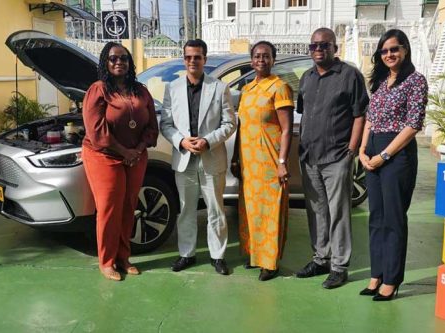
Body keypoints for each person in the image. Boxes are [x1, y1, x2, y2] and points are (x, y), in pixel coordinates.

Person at [296, 27, 369, 289]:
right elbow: (304, 114)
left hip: (337, 156)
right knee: (316, 211)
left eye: (324, 45)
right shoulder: (306, 77)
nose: (318, 50)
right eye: (314, 45)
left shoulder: (349, 75)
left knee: (338, 212)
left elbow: (360, 114)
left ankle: (339, 266)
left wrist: (351, 151)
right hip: (310, 156)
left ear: (334, 48)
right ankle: (320, 258)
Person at [358, 29, 428, 301]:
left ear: (405, 50)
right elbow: (370, 118)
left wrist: (384, 155)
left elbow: (413, 125)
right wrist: (363, 150)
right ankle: (376, 275)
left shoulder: (415, 81)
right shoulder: (380, 81)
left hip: (396, 154)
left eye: (394, 49)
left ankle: (392, 279)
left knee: (394, 217)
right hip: (373, 147)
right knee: (376, 216)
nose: (389, 54)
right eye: (384, 51)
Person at [82, 42, 159, 281]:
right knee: (108, 208)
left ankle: (124, 258)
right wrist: (124, 151)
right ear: (106, 62)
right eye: (113, 58)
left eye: (123, 58)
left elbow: (151, 127)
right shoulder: (98, 90)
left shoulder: (141, 91)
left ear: (130, 62)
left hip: (136, 156)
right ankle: (106, 261)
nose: (119, 62)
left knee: (129, 207)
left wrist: (137, 149)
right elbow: (97, 131)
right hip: (104, 156)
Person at [160, 39, 236, 275]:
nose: (193, 61)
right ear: (184, 59)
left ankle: (217, 255)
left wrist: (207, 141)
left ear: (205, 59)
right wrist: (181, 141)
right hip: (184, 158)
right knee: (186, 210)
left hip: (211, 157)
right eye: (189, 57)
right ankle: (187, 253)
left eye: (198, 57)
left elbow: (230, 123)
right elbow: (166, 124)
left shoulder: (219, 88)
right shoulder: (172, 88)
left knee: (215, 209)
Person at [231, 41, 294, 282]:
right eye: (257, 56)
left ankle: (270, 262)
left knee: (270, 210)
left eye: (266, 56)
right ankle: (254, 255)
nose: (261, 60)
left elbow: (286, 130)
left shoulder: (280, 88)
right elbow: (241, 126)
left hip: (269, 160)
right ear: (251, 60)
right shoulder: (247, 89)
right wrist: (236, 158)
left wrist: (281, 162)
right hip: (249, 161)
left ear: (273, 59)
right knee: (250, 210)